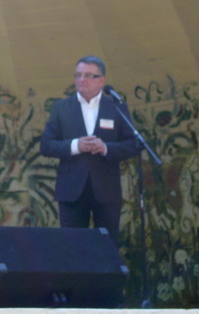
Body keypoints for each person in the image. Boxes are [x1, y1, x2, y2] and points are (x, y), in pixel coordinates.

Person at [40, 55, 140, 246]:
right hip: (71, 189)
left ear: (101, 80)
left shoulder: (116, 107)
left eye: (88, 75)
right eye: (78, 75)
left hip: (106, 188)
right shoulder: (61, 107)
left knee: (107, 246)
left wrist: (106, 148)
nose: (81, 79)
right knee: (73, 247)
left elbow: (133, 144)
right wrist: (76, 146)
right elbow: (46, 145)